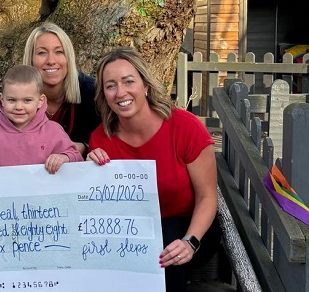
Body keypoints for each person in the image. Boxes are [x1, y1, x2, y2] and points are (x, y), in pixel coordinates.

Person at [86, 47, 219, 292]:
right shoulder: (101, 139)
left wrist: (190, 242)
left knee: (164, 242)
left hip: (191, 229)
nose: (121, 92)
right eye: (111, 85)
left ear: (145, 85)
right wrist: (92, 170)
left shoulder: (185, 127)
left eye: (128, 82)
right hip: (134, 232)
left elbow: (208, 197)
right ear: (104, 95)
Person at [0, 65, 83, 179]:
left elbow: (76, 158)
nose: (19, 107)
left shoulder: (53, 131)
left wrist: (64, 158)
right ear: (2, 100)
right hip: (2, 197)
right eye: (12, 100)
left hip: (43, 199)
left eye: (27, 100)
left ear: (40, 101)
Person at [23, 22, 101, 156]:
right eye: (42, 53)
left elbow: (111, 136)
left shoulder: (92, 92)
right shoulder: (17, 92)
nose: (51, 60)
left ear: (68, 57)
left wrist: (84, 147)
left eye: (59, 52)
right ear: (30, 59)